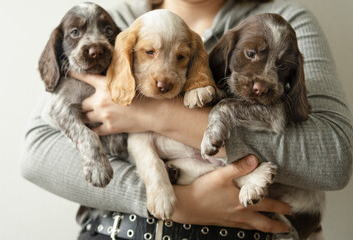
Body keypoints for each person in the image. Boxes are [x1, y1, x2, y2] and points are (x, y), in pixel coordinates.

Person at [20, 0, 353, 239]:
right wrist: (170, 201)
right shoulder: (115, 24)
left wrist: (154, 113)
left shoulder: (286, 17)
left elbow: (335, 158)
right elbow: (37, 154)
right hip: (118, 229)